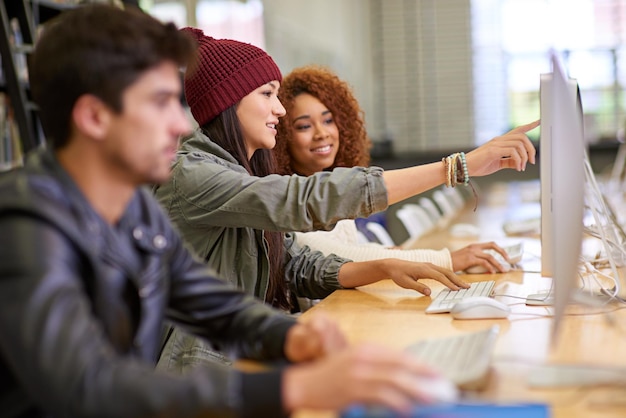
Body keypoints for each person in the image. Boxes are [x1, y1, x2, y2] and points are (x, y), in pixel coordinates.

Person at [0, 5, 451, 417]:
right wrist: (286, 390)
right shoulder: (29, 227)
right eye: (159, 104)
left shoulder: (131, 208)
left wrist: (291, 335)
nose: (181, 124)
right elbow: (89, 386)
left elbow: (213, 304)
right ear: (95, 117)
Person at [154, 28, 537, 370]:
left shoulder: (243, 173)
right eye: (267, 94)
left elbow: (295, 266)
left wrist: (384, 267)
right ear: (228, 103)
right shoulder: (192, 175)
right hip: (200, 372)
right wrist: (455, 168)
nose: (280, 109)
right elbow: (301, 201)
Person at [273, 65, 512, 273]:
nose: (322, 133)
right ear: (282, 137)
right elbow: (346, 261)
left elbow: (351, 249)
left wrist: (381, 250)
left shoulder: (333, 188)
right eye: (304, 126)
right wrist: (449, 259)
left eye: (328, 120)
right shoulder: (287, 203)